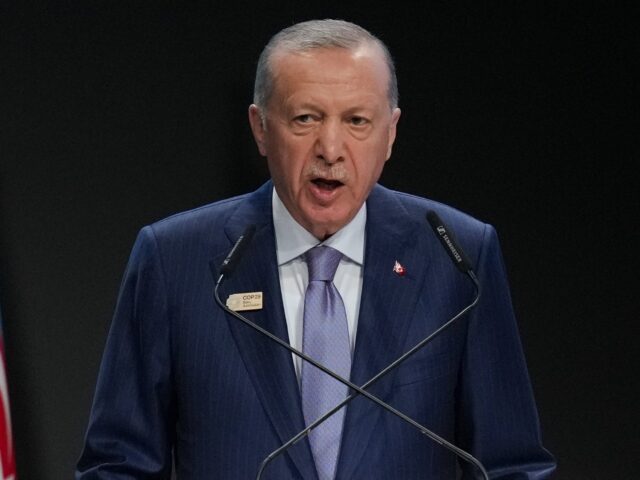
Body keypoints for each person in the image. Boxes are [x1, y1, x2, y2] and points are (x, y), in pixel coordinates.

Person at [76, 19, 555, 479]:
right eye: (306, 118)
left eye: (357, 121)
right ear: (261, 128)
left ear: (390, 133)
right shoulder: (173, 259)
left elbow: (510, 465)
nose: (331, 147)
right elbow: (119, 468)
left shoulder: (458, 258)